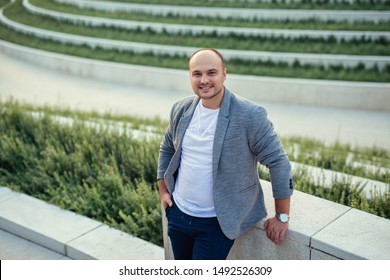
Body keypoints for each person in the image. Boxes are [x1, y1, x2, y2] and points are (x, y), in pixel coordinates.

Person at [157, 48, 293, 260]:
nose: (204, 80)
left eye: (211, 73)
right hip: (178, 215)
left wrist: (282, 216)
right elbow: (166, 147)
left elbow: (279, 163)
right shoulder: (181, 109)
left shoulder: (250, 115)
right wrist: (163, 188)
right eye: (197, 74)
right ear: (190, 76)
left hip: (217, 222)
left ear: (224, 74)